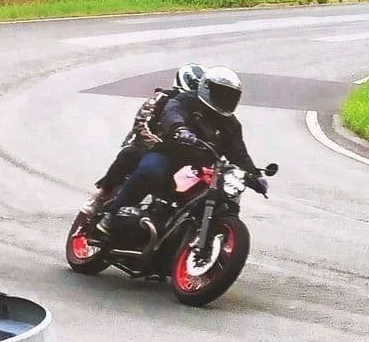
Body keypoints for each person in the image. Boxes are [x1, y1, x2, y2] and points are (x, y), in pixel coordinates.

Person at [97, 64, 266, 231]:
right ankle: (111, 216)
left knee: (225, 193)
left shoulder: (231, 124)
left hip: (201, 167)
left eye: (231, 96)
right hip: (171, 154)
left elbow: (239, 153)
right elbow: (173, 111)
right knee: (150, 170)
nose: (226, 99)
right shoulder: (188, 100)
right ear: (207, 89)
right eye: (222, 94)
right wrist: (180, 128)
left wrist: (256, 176)